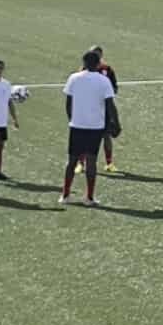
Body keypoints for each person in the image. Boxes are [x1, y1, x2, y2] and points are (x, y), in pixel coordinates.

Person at [62, 49, 117, 206]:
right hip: (95, 127)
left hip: (77, 126)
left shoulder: (74, 78)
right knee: (91, 161)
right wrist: (116, 123)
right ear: (98, 64)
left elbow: (68, 103)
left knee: (72, 160)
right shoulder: (104, 81)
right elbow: (110, 105)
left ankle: (65, 195)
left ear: (84, 62)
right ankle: (89, 197)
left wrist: (72, 119)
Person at [88, 44, 119, 173]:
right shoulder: (85, 69)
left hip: (104, 108)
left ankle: (109, 163)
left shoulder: (107, 69)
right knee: (86, 136)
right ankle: (81, 163)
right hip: (89, 107)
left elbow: (114, 88)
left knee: (106, 135)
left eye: (97, 54)